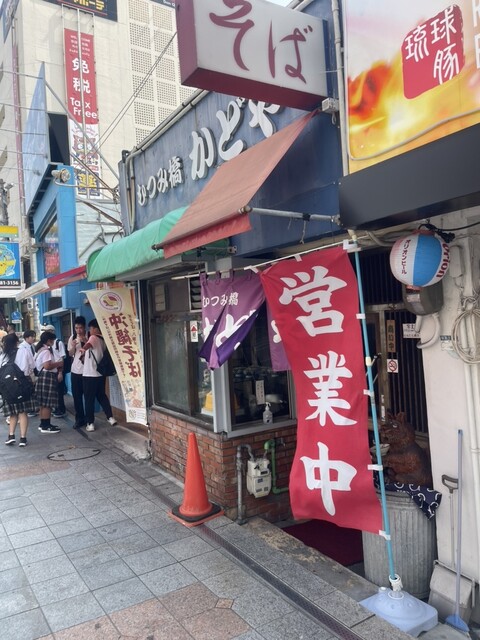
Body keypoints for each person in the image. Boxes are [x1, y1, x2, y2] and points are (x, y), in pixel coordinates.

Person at [79, 318, 117, 432]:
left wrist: (83, 349)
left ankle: (90, 423)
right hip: (100, 374)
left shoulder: (93, 337)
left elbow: (89, 344)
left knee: (89, 399)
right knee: (102, 396)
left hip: (90, 375)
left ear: (95, 329)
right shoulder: (103, 339)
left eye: (91, 328)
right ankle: (110, 417)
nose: (90, 330)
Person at [2, 333, 37, 447]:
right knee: (23, 412)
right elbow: (32, 365)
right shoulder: (24, 351)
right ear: (17, 342)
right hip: (23, 384)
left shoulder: (3, 356)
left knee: (13, 413)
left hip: (9, 387)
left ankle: (11, 436)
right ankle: (23, 439)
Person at [34, 331, 64, 434]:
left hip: (42, 377)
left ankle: (43, 424)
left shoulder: (39, 349)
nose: (53, 341)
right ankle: (46, 426)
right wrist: (59, 363)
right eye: (52, 340)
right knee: (48, 403)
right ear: (48, 340)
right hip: (47, 377)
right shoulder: (46, 351)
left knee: (43, 403)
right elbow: (47, 366)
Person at [41, 324, 67, 418]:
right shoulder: (47, 344)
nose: (46, 333)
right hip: (51, 371)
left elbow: (61, 358)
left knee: (59, 391)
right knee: (54, 391)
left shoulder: (58, 343)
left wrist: (60, 372)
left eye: (47, 331)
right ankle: (55, 408)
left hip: (58, 370)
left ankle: (61, 409)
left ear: (52, 331)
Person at [67, 316, 87, 429]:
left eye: (80, 328)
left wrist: (85, 341)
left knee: (88, 397)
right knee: (77, 397)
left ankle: (89, 419)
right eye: (76, 328)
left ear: (84, 327)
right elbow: (70, 354)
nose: (78, 330)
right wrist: (73, 346)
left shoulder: (89, 336)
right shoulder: (72, 337)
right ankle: (79, 419)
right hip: (75, 371)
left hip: (88, 371)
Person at [19, 330, 38, 418]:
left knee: (33, 390)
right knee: (28, 390)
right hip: (26, 372)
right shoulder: (22, 348)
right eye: (32, 336)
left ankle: (33, 408)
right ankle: (29, 410)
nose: (34, 338)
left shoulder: (32, 346)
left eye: (34, 336)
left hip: (32, 370)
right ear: (26, 338)